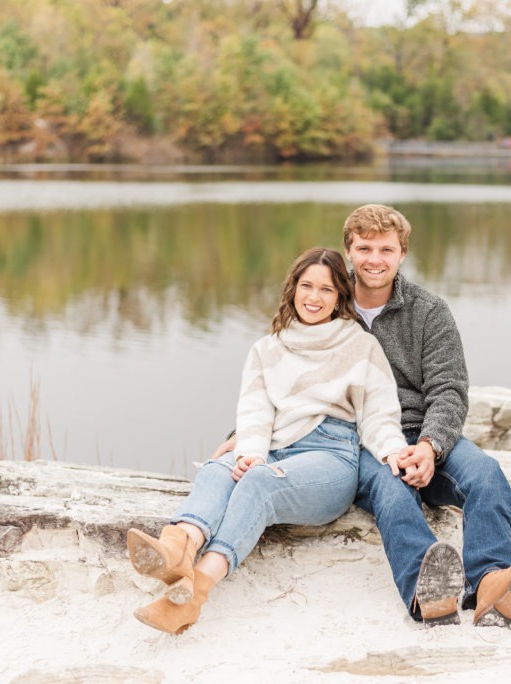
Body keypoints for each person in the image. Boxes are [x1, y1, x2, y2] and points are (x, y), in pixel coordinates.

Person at [126, 247, 408, 635]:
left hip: (329, 457)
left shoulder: (360, 346)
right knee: (217, 470)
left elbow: (379, 414)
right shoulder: (268, 349)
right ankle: (179, 548)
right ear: (292, 289)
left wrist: (394, 451)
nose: (313, 297)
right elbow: (255, 412)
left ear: (341, 297)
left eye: (326, 290)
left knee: (260, 482)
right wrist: (250, 453)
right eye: (306, 286)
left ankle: (196, 593)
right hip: (275, 445)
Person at [341, 203, 511, 628]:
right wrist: (245, 435)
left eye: (386, 249)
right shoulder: (329, 308)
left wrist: (430, 446)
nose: (375, 259)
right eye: (365, 248)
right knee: (393, 494)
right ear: (349, 251)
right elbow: (289, 376)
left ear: (402, 253)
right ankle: (428, 594)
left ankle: (490, 584)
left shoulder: (429, 311)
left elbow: (448, 389)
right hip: (365, 441)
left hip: (425, 431)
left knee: (486, 475)